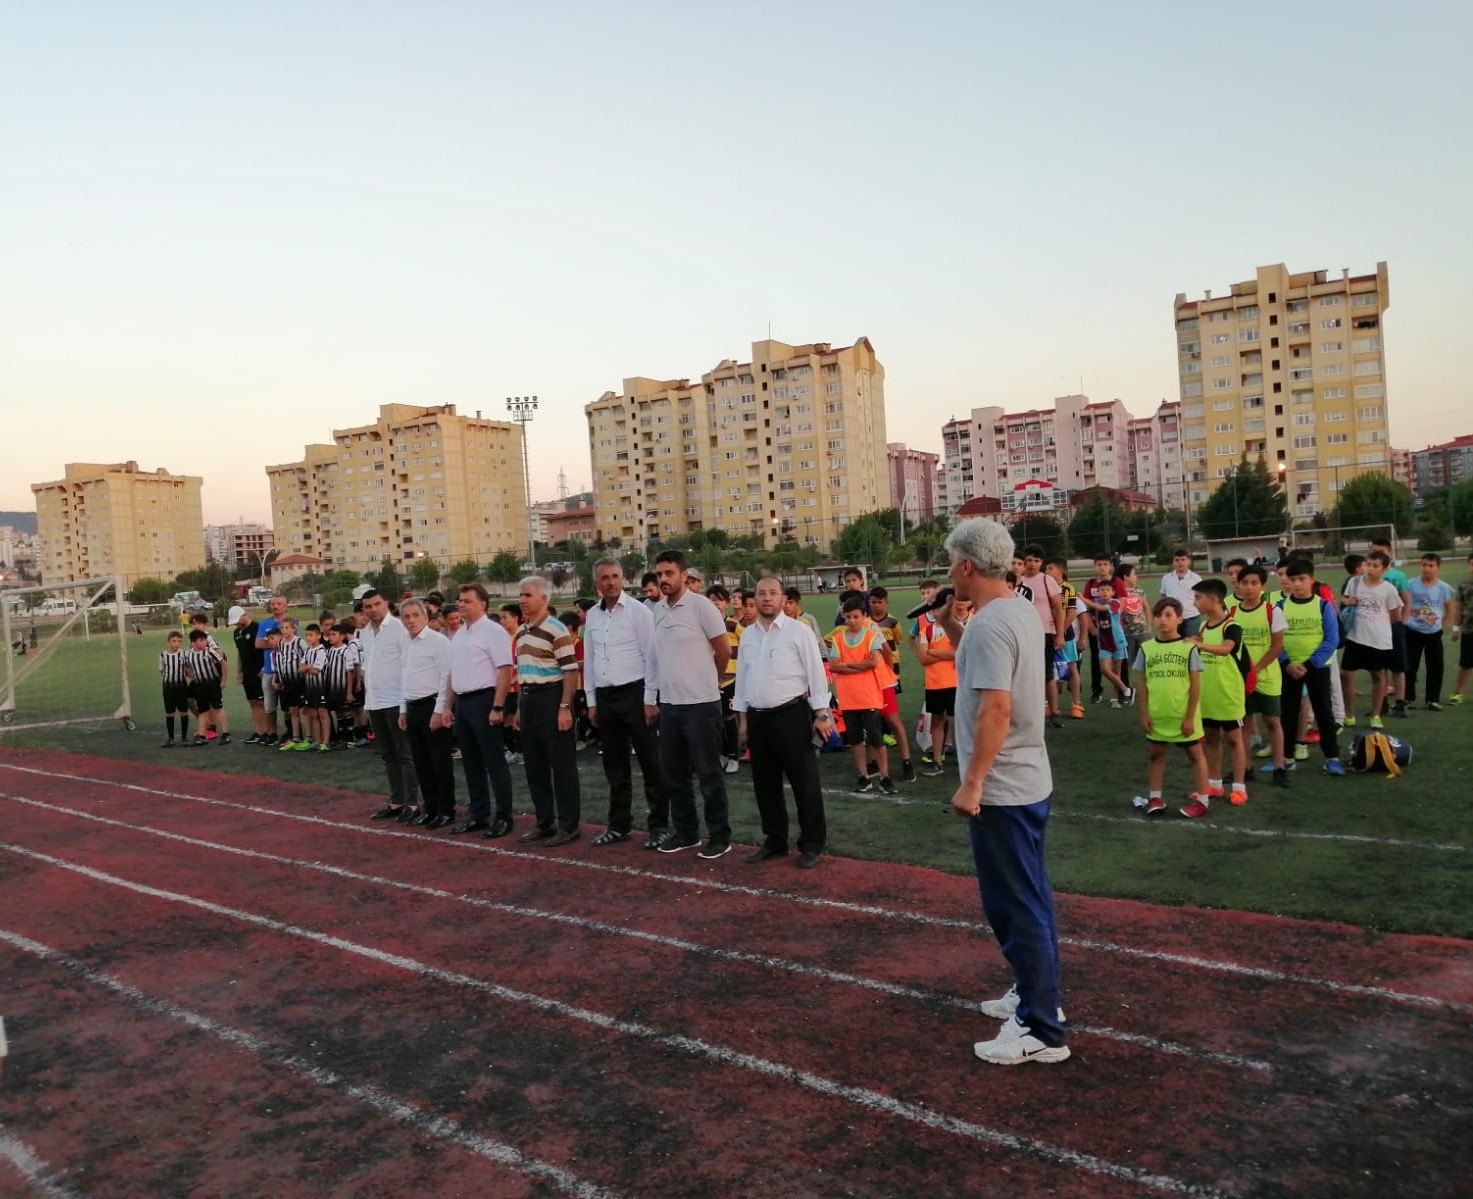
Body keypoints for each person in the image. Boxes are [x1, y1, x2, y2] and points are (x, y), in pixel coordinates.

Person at [936, 519, 1067, 1067]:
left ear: (967, 566)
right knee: (1028, 897)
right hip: (1026, 778)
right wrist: (950, 626)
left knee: (1014, 904)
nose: (948, 573)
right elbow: (988, 667)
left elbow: (996, 707)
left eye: (951, 563)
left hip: (1005, 788)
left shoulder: (993, 623)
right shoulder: (1012, 610)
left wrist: (973, 782)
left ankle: (1041, 1027)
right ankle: (1034, 995)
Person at [734, 576, 835, 868]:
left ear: (782, 598)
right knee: (764, 784)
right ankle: (775, 840)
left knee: (805, 783)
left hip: (791, 715)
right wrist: (742, 720)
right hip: (758, 718)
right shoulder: (748, 635)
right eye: (761, 593)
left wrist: (822, 713)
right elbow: (743, 679)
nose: (767, 598)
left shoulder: (797, 632)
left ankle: (812, 843)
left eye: (773, 593)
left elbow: (816, 673)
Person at [650, 549, 733, 858]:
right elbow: (656, 657)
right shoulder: (657, 610)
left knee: (708, 774)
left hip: (701, 704)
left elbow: (723, 650)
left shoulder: (702, 608)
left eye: (669, 573)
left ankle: (719, 836)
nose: (663, 579)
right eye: (660, 574)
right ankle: (686, 833)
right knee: (675, 776)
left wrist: (711, 680)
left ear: (684, 575)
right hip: (670, 705)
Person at [584, 557, 667, 848]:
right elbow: (590, 660)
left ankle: (659, 826)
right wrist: (592, 701)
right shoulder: (593, 616)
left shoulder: (639, 612)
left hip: (635, 694)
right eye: (605, 577)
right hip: (606, 698)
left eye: (615, 576)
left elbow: (652, 656)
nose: (611, 582)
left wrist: (649, 699)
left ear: (623, 578)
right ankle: (619, 825)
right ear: (597, 583)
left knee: (650, 762)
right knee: (615, 765)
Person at [512, 576, 582, 846]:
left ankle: (569, 825)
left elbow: (569, 671)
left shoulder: (556, 630)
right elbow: (524, 673)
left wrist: (564, 707)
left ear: (544, 599)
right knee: (535, 767)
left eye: (527, 595)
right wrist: (519, 708)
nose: (522, 600)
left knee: (562, 766)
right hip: (528, 701)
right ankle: (544, 822)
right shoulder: (520, 632)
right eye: (521, 595)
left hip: (551, 698)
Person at [447, 583, 516, 838]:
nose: (460, 603)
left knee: (494, 761)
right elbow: (453, 672)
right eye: (459, 600)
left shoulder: (493, 631)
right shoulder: (460, 634)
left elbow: (505, 670)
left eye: (466, 600)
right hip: (463, 703)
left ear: (482, 604)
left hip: (485, 700)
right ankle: (479, 814)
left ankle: (504, 817)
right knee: (471, 763)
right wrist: (448, 706)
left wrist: (497, 706)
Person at [1133, 597, 1210, 816]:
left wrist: (1189, 717)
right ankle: (1155, 798)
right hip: (1158, 715)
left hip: (1183, 715)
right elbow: (1143, 685)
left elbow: (1195, 687)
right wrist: (1145, 715)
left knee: (1195, 754)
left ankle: (1202, 801)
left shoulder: (1188, 648)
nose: (1162, 620)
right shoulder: (1147, 648)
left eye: (1168, 615)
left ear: (1179, 619)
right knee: (1156, 754)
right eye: (1158, 615)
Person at [359, 588, 421, 821]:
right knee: (387, 755)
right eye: (368, 606)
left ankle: (413, 803)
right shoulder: (364, 632)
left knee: (405, 755)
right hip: (375, 703)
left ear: (386, 603)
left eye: (377, 604)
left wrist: (405, 705)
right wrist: (367, 703)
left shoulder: (398, 629)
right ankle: (396, 801)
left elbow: (407, 667)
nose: (373, 609)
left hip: (396, 702)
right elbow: (367, 669)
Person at [1277, 559, 1345, 775]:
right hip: (1288, 669)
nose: (1297, 584)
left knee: (1324, 712)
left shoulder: (1323, 606)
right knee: (1287, 714)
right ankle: (1286, 758)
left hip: (1315, 668)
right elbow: (1274, 640)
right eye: (1293, 579)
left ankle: (1332, 758)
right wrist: (1286, 662)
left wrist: (1307, 664)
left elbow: (1331, 640)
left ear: (1311, 580)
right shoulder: (1280, 607)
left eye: (1302, 579)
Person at [1189, 579, 1250, 810]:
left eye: (1198, 598)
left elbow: (1226, 649)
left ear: (1214, 599)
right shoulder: (1204, 627)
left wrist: (1198, 645)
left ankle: (1239, 787)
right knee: (1212, 738)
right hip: (1208, 695)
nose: (1195, 603)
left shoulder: (1231, 626)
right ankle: (1214, 784)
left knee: (1234, 739)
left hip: (1228, 694)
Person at [397, 598, 456, 829]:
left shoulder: (437, 641)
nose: (411, 620)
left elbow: (446, 676)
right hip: (412, 708)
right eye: (406, 616)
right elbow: (404, 677)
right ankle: (430, 808)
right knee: (421, 763)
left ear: (425, 617)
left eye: (415, 615)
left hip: (432, 707)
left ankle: (445, 810)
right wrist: (403, 709)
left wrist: (439, 709)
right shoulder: (406, 642)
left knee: (440, 763)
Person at [830, 596, 895, 795]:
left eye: (855, 617)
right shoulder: (838, 639)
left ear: (864, 616)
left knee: (876, 738)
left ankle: (884, 776)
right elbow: (833, 665)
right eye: (848, 617)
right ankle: (863, 776)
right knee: (855, 739)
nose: (851, 621)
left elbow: (873, 662)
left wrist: (846, 666)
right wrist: (858, 666)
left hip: (869, 697)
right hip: (848, 699)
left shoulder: (871, 636)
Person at [1236, 565, 1291, 788]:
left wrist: (1255, 670)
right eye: (1245, 583)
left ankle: (1279, 767)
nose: (1249, 588)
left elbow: (1277, 647)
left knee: (1272, 722)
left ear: (1263, 586)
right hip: (1240, 680)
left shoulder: (1272, 612)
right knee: (1244, 724)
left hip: (1267, 677)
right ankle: (1246, 767)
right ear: (1238, 585)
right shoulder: (1232, 613)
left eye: (1254, 583)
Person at [1340, 550, 1402, 731]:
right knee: (1346, 675)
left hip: (1378, 640)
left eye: (1375, 566)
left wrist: (1378, 626)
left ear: (1384, 569)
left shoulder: (1388, 589)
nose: (1370, 568)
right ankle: (1349, 714)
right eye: (1368, 564)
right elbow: (1344, 598)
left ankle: (1375, 714)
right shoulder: (1355, 582)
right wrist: (1348, 600)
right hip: (1355, 638)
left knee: (1378, 675)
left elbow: (1395, 615)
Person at [1015, 546, 1066, 729]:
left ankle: (1054, 711)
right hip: (1022, 633)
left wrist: (1060, 634)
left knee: (1047, 674)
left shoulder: (1047, 580)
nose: (1032, 564)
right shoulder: (1016, 581)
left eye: (1037, 561)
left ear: (1042, 563)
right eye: (1029, 560)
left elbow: (1059, 609)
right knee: (1024, 674)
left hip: (1044, 632)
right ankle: (1031, 712)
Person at [868, 586, 914, 780]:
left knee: (893, 720)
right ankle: (874, 762)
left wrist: (888, 672)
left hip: (885, 677)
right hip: (867, 683)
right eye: (873, 602)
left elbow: (890, 650)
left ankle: (907, 762)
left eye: (879, 602)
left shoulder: (876, 626)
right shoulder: (852, 627)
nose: (876, 605)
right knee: (871, 722)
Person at [1403, 553, 1457, 711]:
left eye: (1431, 565)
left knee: (1435, 666)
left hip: (1433, 632)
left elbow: (1449, 608)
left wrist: (1443, 626)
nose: (1427, 568)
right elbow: (1403, 603)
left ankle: (1432, 700)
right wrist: (1404, 621)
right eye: (1424, 564)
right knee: (1409, 665)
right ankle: (1408, 698)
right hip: (1412, 630)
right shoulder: (1411, 584)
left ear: (1438, 568)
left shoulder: (1443, 588)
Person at [1369, 537, 1411, 717]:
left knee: (1398, 666)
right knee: (1378, 667)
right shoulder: (1367, 576)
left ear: (1389, 553)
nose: (1378, 555)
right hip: (1374, 627)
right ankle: (1382, 703)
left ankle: (1400, 703)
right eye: (1375, 551)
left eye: (1382, 551)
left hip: (1394, 625)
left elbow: (1407, 600)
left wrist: (1403, 621)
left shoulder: (1398, 576)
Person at [1044, 560, 1083, 719]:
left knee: (1071, 670)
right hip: (1047, 636)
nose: (1046, 571)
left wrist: (1059, 632)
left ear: (1060, 571)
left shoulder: (1068, 589)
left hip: (1065, 637)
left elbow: (1072, 614)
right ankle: (1050, 705)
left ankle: (1076, 705)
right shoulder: (1045, 587)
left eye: (1050, 568)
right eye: (1046, 568)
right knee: (1049, 672)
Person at [185, 629, 231, 746]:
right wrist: (192, 676)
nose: (204, 642)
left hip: (212, 683)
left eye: (205, 639)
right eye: (201, 640)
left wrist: (223, 680)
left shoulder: (209, 651)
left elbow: (223, 663)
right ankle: (202, 735)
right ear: (193, 642)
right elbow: (187, 667)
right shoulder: (189, 654)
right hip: (200, 685)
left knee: (217, 708)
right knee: (202, 711)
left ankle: (226, 734)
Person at [230, 605, 269, 743]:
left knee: (262, 702)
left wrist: (265, 667)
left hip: (259, 672)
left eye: (237, 620)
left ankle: (267, 732)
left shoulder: (258, 628)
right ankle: (258, 732)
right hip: (247, 674)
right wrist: (239, 672)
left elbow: (267, 650)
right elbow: (240, 654)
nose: (235, 623)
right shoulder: (236, 633)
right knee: (252, 703)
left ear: (243, 615)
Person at [1079, 554, 1115, 704]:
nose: (1102, 567)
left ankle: (1119, 689)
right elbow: (1085, 607)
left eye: (1105, 564)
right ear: (1095, 566)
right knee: (1096, 659)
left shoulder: (1116, 582)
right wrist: (1090, 626)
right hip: (1096, 628)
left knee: (1118, 659)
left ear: (1110, 566)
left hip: (1112, 629)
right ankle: (1096, 690)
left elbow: (1120, 603)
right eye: (1099, 564)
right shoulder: (1091, 583)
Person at [255, 595, 289, 746]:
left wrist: (271, 641)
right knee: (269, 706)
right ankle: (272, 733)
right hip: (268, 670)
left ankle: (291, 733)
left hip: (286, 671)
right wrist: (276, 643)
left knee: (288, 705)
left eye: (279, 603)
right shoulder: (264, 623)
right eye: (273, 604)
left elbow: (292, 642)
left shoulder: (290, 623)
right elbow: (258, 644)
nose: (275, 606)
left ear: (285, 606)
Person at [271, 616, 308, 751]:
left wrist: (303, 669)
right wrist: (276, 678)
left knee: (303, 710)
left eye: (287, 627)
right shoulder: (280, 644)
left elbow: (308, 656)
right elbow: (279, 663)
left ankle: (308, 737)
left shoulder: (299, 642)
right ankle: (295, 737)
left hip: (299, 681)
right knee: (292, 710)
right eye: (282, 627)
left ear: (294, 628)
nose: (284, 630)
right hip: (286, 682)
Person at [1093, 577, 1131, 706]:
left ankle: (1114, 699)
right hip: (1103, 642)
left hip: (1117, 641)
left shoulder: (1115, 603)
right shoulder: (1097, 601)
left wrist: (1082, 599)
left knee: (1116, 671)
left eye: (1108, 590)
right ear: (1098, 592)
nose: (1104, 592)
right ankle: (1125, 689)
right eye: (1102, 590)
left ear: (1113, 592)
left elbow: (1099, 608)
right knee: (1104, 669)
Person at [321, 622, 356, 749]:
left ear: (342, 637)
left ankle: (350, 739)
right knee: (338, 713)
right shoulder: (329, 651)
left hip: (343, 688)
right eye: (329, 634)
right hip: (332, 689)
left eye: (334, 634)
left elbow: (349, 672)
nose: (330, 637)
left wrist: (349, 692)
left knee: (346, 712)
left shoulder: (346, 651)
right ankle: (341, 738)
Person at [298, 623, 331, 752]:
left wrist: (308, 667)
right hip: (310, 687)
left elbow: (317, 670)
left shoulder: (321, 651)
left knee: (322, 713)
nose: (308, 638)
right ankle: (317, 740)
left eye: (311, 635)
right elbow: (300, 669)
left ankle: (326, 741)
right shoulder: (308, 651)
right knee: (313, 714)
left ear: (318, 636)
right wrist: (308, 667)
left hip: (321, 687)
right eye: (306, 635)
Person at [1159, 550, 1204, 637]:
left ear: (1189, 561)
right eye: (1177, 560)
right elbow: (1163, 596)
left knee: (1191, 644)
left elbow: (1201, 597)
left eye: (1183, 560)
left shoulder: (1196, 578)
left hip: (1191, 617)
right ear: (1173, 562)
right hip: (1173, 618)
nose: (1180, 563)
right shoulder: (1166, 578)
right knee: (1173, 643)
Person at [158, 630, 191, 747]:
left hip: (181, 686)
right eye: (174, 641)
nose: (176, 644)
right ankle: (171, 738)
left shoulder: (184, 654)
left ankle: (184, 738)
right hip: (168, 688)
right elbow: (162, 671)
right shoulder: (163, 655)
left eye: (178, 641)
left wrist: (188, 672)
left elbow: (189, 670)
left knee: (183, 712)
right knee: (170, 713)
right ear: (168, 642)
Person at [1450, 553, 1473, 705]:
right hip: (1469, 629)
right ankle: (1458, 694)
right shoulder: (1464, 585)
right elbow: (1458, 608)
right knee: (1465, 663)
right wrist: (1456, 628)